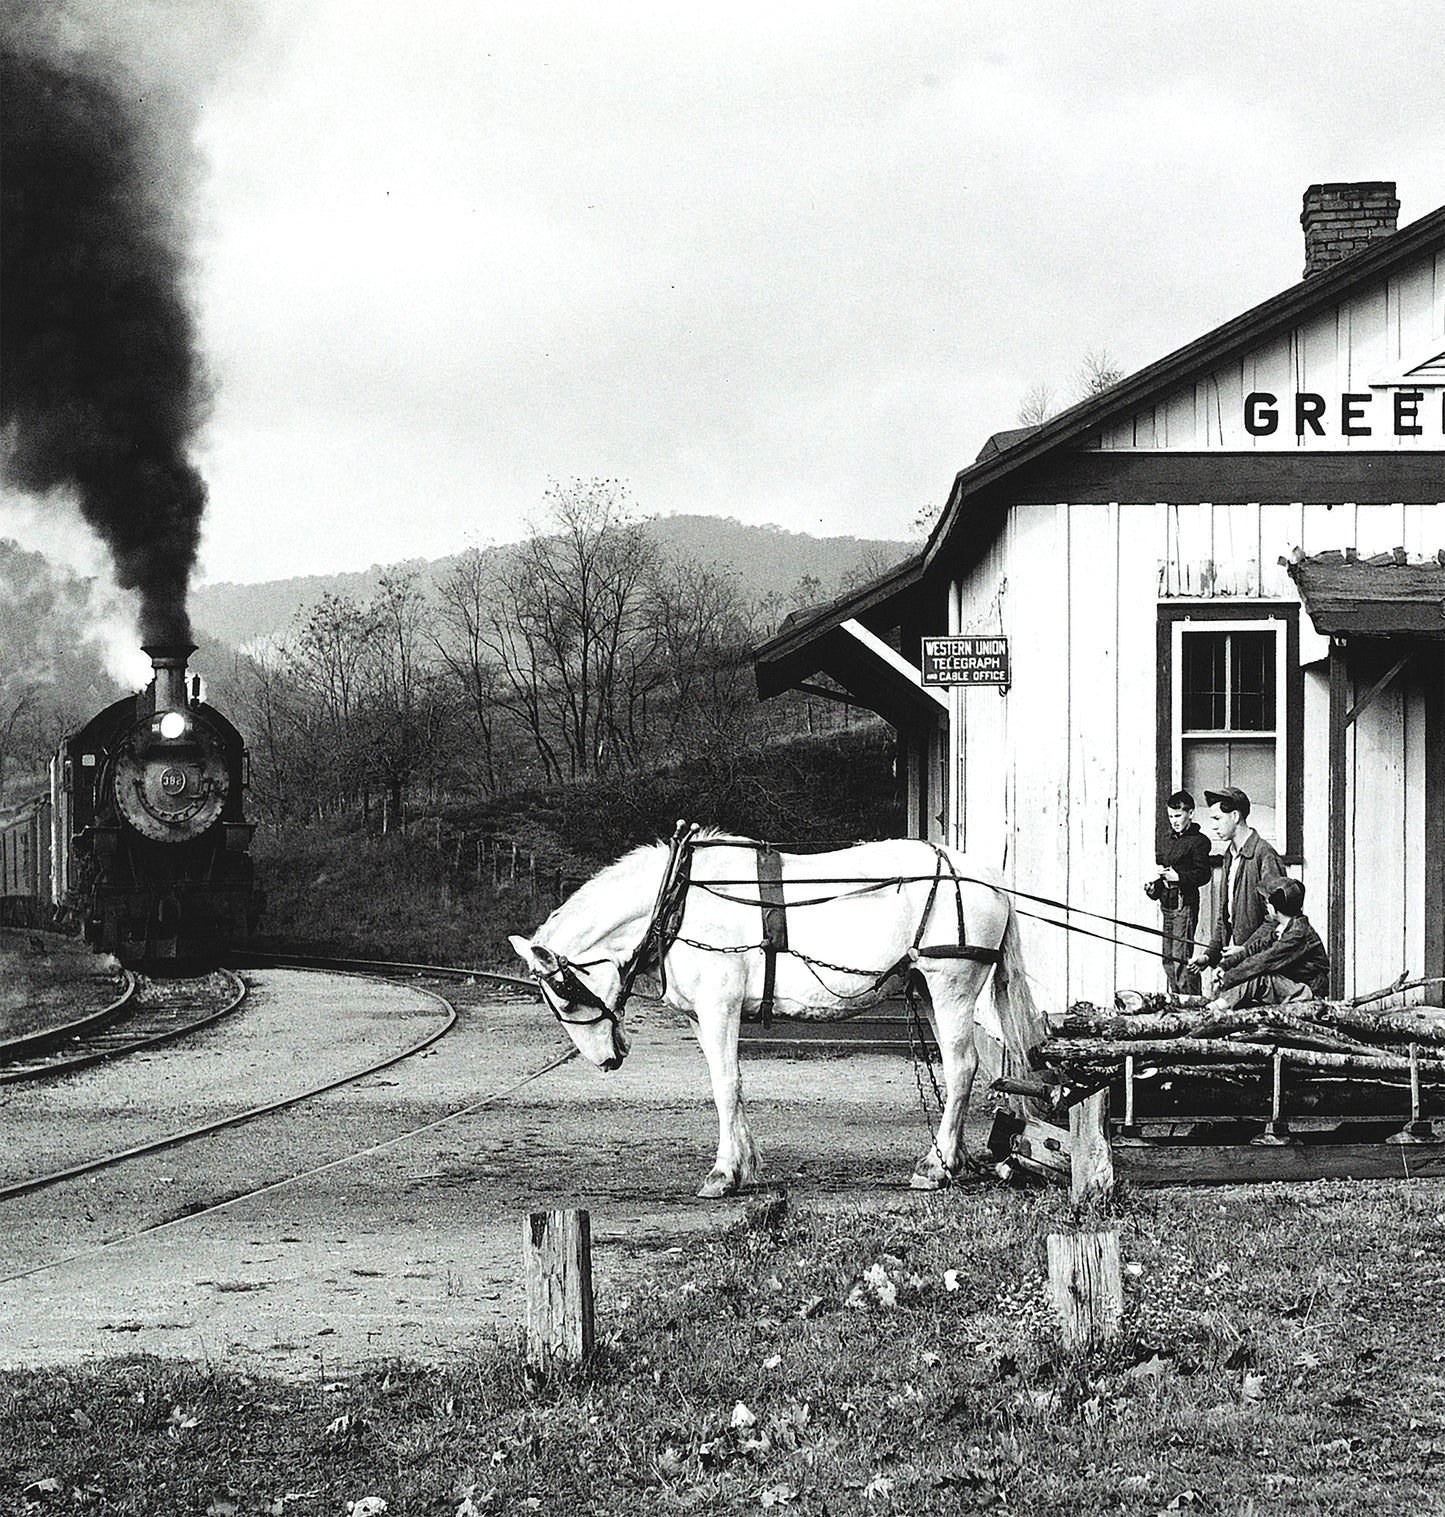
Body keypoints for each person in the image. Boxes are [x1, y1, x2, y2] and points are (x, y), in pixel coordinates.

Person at [1187, 785, 1286, 982]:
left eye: (1217, 819)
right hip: (1242, 960)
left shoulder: (1263, 854)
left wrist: (1245, 950)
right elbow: (1225, 919)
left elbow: (1277, 918)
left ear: (1235, 816)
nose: (1213, 826)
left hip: (1261, 965)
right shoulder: (1229, 856)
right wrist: (1209, 955)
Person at [1205, 877, 1329, 1010]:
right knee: (1250, 976)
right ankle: (1217, 1005)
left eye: (1267, 902)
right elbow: (1253, 950)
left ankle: (1214, 1009)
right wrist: (1224, 966)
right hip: (1292, 984)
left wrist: (1227, 977)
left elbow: (1263, 961)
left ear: (1273, 908)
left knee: (1260, 979)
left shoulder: (1298, 934)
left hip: (1307, 991)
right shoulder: (1283, 928)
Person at [1146, 789, 1213, 994]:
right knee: (1168, 959)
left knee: (1181, 960)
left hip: (1184, 905)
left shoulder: (1199, 841)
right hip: (1167, 904)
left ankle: (1193, 1006)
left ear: (1190, 814)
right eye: (1171, 816)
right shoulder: (1171, 841)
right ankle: (1177, 1005)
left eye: (1178, 816)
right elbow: (1167, 872)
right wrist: (1154, 888)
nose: (1174, 821)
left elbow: (1203, 875)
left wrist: (1180, 878)